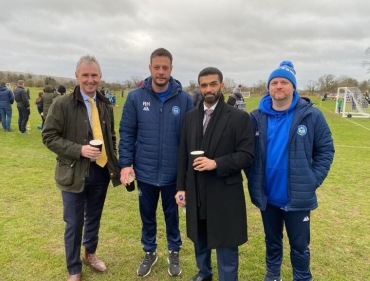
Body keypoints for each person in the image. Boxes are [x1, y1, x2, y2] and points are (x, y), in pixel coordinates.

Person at [246, 61, 335, 281]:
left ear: (293, 86)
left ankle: (302, 277)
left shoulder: (312, 116)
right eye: (274, 82)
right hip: (268, 196)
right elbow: (246, 153)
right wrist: (254, 177)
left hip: (297, 197)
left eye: (284, 82)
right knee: (272, 241)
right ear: (268, 87)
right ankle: (273, 275)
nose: (279, 86)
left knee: (300, 246)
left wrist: (312, 180)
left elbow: (326, 150)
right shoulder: (255, 118)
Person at [42, 55, 121, 281]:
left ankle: (90, 254)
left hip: (100, 171)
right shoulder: (62, 104)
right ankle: (74, 269)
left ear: (100, 76)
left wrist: (113, 160)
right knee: (75, 222)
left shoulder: (105, 104)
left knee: (94, 217)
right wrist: (79, 150)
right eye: (85, 75)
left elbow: (111, 137)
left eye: (94, 75)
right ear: (77, 76)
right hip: (73, 173)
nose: (90, 80)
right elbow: (48, 136)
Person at [119, 47, 194, 277]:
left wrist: (188, 173)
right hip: (146, 171)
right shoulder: (135, 97)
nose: (161, 72)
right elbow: (127, 133)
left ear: (171, 69)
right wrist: (126, 164)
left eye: (165, 68)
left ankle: (174, 250)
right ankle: (150, 251)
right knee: (147, 215)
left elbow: (191, 138)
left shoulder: (184, 99)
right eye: (157, 67)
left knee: (172, 216)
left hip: (173, 173)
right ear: (150, 68)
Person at [175, 67, 254, 281]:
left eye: (212, 84)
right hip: (196, 190)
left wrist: (216, 163)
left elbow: (247, 155)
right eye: (204, 85)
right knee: (200, 236)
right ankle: (204, 273)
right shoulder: (190, 118)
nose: (208, 89)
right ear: (199, 88)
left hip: (224, 192)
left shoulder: (238, 117)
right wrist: (180, 187)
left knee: (226, 241)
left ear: (222, 85)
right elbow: (182, 154)